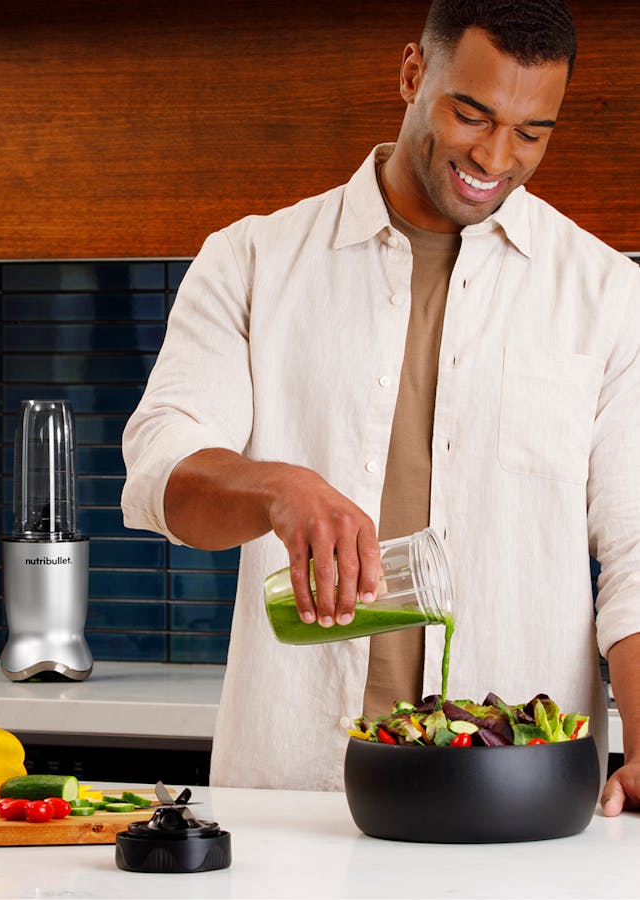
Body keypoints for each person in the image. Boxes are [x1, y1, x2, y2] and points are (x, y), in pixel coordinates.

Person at [121, 0, 640, 814]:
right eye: (472, 114)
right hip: (293, 798)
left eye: (531, 133)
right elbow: (162, 468)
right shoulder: (252, 261)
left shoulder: (606, 296)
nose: (495, 157)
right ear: (411, 73)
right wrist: (276, 488)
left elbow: (636, 552)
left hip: (520, 798)